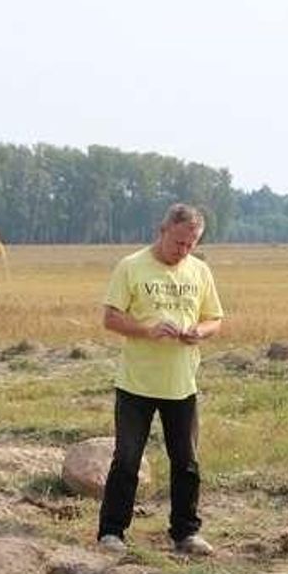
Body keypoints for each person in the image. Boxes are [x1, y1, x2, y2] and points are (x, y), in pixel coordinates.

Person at [97, 203, 224, 556]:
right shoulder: (131, 266)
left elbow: (215, 319)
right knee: (127, 459)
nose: (183, 250)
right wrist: (146, 330)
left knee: (186, 461)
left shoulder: (199, 272)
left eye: (191, 244)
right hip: (136, 384)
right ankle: (112, 532)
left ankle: (186, 532)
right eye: (178, 242)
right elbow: (110, 318)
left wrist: (200, 330)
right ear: (163, 230)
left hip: (182, 384)